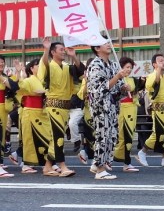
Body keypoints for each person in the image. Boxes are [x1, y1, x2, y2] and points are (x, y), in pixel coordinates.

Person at [38, 37, 84, 177]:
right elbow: (44, 65)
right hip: (53, 106)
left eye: (64, 50)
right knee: (58, 137)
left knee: (56, 138)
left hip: (65, 107)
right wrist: (45, 49)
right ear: (53, 52)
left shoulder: (66, 67)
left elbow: (80, 71)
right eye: (61, 50)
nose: (64, 52)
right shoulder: (48, 64)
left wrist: (74, 56)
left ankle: (47, 167)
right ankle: (62, 166)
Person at [87, 39, 130, 180]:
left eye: (107, 42)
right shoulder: (95, 65)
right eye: (104, 43)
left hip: (111, 107)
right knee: (103, 137)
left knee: (111, 136)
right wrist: (117, 77)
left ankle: (97, 164)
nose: (108, 45)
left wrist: (123, 89)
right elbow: (98, 90)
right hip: (100, 108)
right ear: (97, 48)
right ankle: (100, 170)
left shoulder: (111, 65)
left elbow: (114, 88)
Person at [135, 53, 164, 167]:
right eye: (160, 61)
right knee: (158, 133)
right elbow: (151, 86)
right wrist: (159, 70)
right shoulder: (151, 76)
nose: (163, 62)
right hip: (158, 109)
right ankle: (142, 152)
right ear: (154, 64)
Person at [114, 56, 145, 173]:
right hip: (123, 109)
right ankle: (126, 163)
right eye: (127, 67)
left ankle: (113, 158)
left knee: (128, 136)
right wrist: (122, 88)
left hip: (132, 109)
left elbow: (140, 86)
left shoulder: (132, 80)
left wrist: (142, 80)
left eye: (130, 68)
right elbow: (115, 93)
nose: (129, 70)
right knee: (125, 136)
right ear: (121, 67)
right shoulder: (118, 79)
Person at [0, 55, 19, 169]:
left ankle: (1, 161)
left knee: (2, 135)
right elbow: (12, 85)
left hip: (3, 107)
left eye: (2, 62)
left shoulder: (3, 76)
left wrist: (18, 71)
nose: (1, 64)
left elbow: (14, 84)